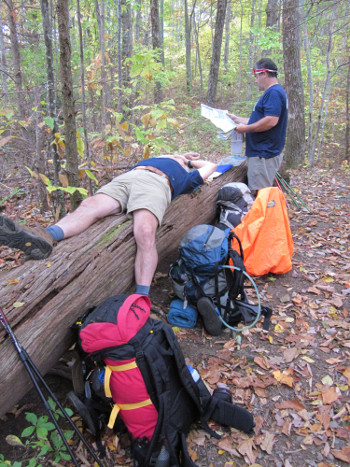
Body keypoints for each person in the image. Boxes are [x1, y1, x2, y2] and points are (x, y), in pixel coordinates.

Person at [0, 153, 217, 296]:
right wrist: (178, 156)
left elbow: (211, 165)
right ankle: (45, 236)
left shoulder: (187, 177)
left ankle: (141, 297)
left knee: (145, 232)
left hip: (158, 184)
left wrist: (187, 162)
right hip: (129, 177)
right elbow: (166, 155)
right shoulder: (163, 157)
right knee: (89, 205)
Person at [228, 58, 288, 195]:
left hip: (263, 155)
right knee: (261, 195)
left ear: (264, 74)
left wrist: (245, 129)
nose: (255, 81)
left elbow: (271, 121)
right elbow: (259, 119)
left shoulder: (274, 93)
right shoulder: (274, 93)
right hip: (262, 154)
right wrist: (237, 119)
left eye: (256, 76)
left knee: (261, 196)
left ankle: (264, 217)